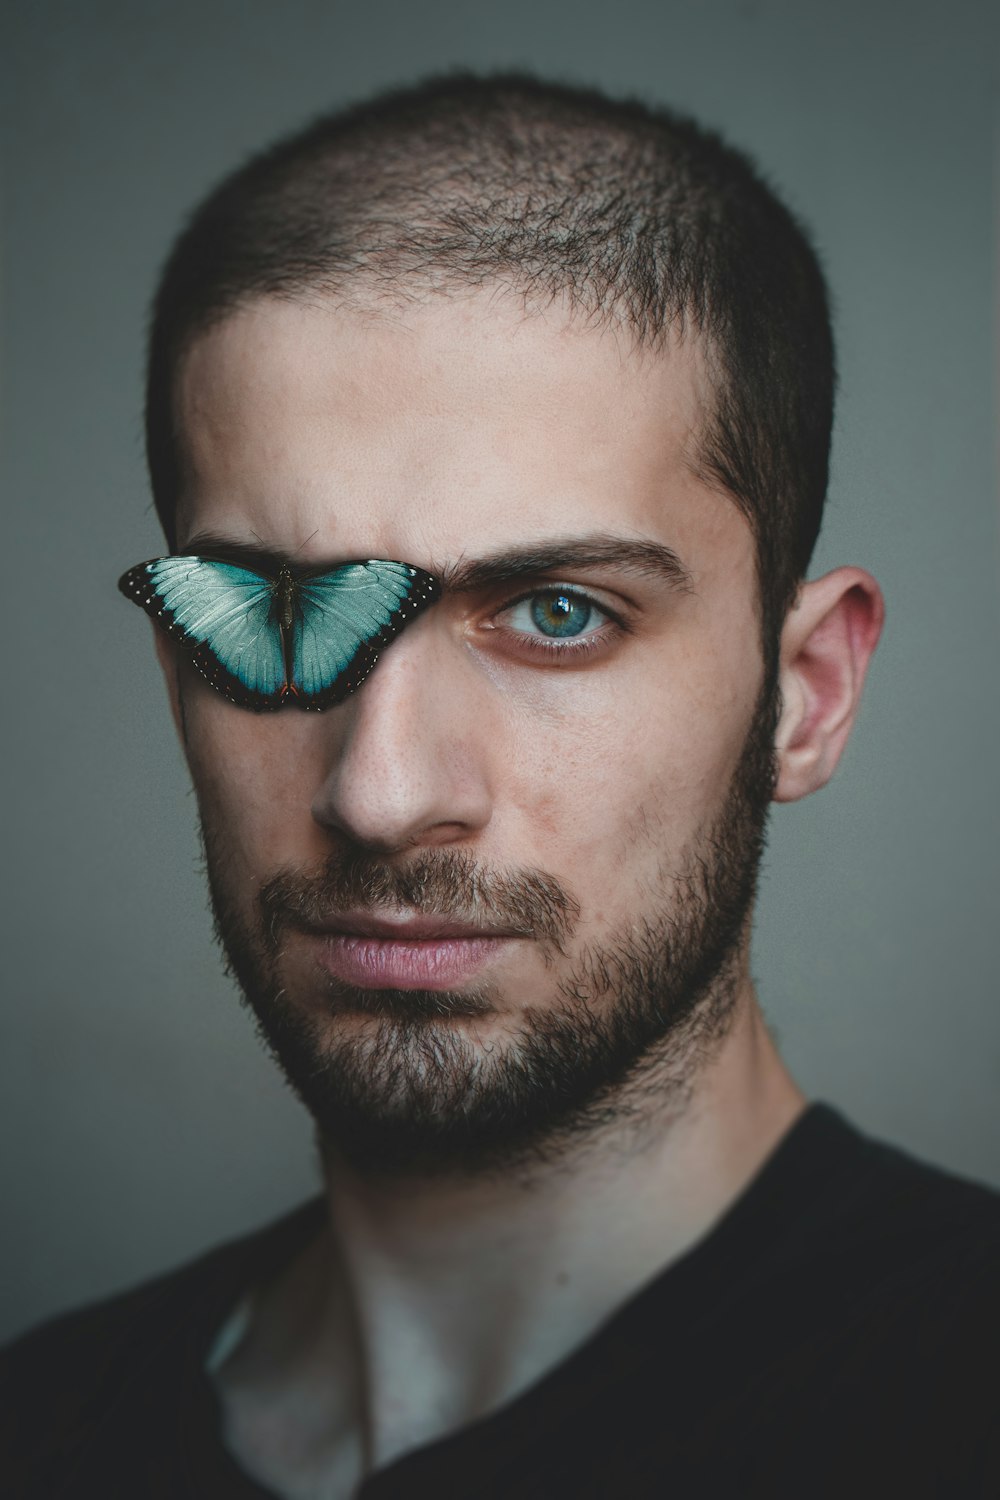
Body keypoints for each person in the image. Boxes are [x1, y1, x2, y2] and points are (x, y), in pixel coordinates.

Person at [3, 72, 997, 1499]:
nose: (380, 792)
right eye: (278, 616)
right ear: (179, 675)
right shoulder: (40, 1432)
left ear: (806, 696)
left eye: (556, 613)